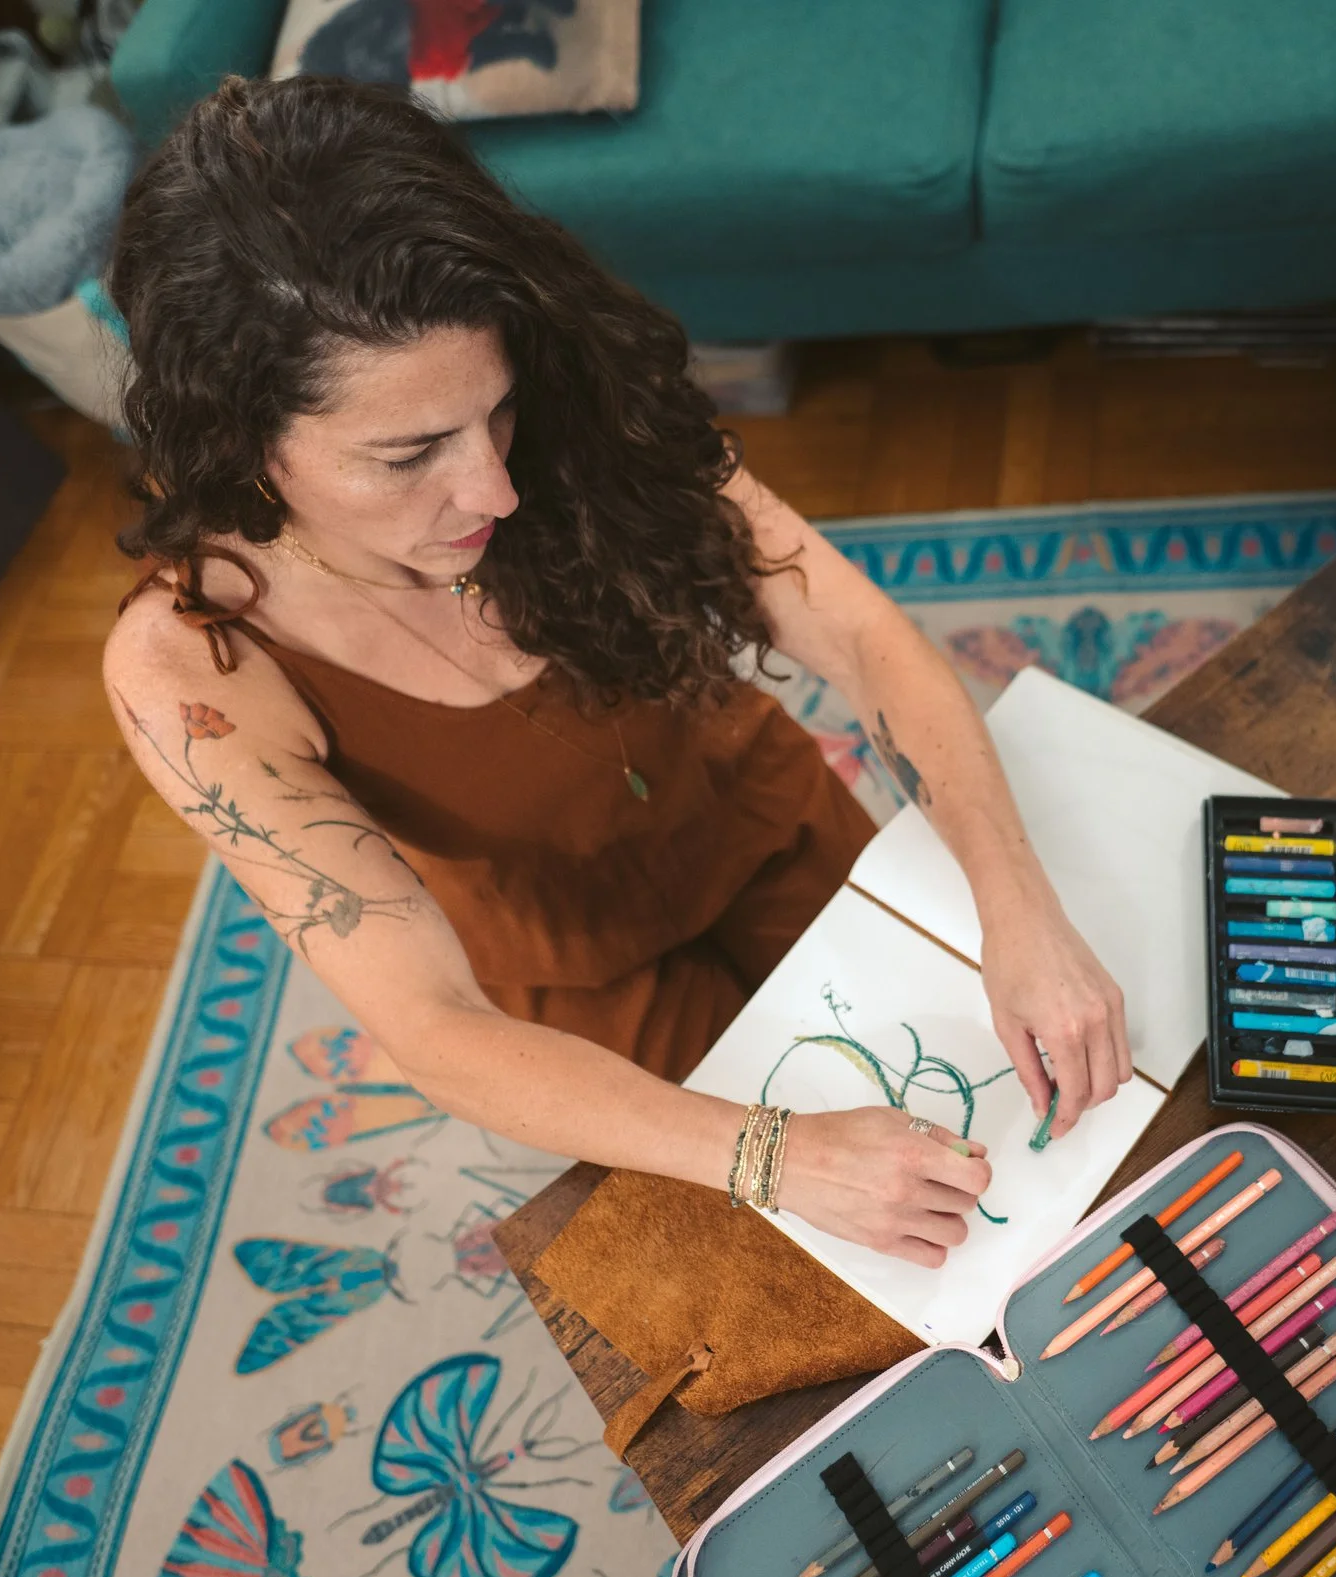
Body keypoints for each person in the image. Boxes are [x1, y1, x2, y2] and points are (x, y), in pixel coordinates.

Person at [101, 76, 1131, 1269]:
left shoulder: (578, 407)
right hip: (578, 980)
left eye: (494, 412)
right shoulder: (190, 668)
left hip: (765, 814)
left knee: (1020, 1125)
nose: (493, 488)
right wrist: (774, 1155)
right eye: (408, 453)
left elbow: (856, 633)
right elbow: (433, 1026)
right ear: (241, 439)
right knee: (827, 1259)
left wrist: (1022, 912)